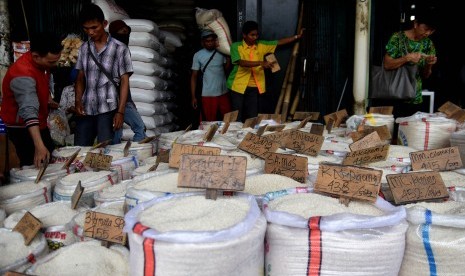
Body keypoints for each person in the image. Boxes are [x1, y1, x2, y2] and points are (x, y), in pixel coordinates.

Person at [0, 32, 63, 167]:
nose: (55, 64)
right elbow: (28, 110)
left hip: (39, 124)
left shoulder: (41, 65)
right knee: (33, 166)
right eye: (52, 61)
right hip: (22, 130)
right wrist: (39, 146)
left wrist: (47, 98)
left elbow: (40, 83)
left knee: (50, 161)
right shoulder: (22, 73)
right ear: (35, 56)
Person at [74, 3, 133, 146]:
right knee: (80, 149)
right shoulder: (83, 49)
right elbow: (80, 77)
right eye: (86, 29)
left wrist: (120, 112)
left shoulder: (120, 49)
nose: (91, 32)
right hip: (87, 108)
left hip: (108, 109)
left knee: (105, 151)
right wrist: (77, 101)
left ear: (104, 24)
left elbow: (125, 82)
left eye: (94, 27)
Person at [227, 20, 304, 122]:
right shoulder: (235, 46)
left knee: (252, 116)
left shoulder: (261, 45)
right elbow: (241, 62)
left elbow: (279, 42)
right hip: (237, 85)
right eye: (252, 35)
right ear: (244, 35)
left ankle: (250, 136)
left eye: (256, 35)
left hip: (254, 86)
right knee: (237, 115)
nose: (255, 37)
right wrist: (261, 63)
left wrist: (297, 37)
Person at [372, 6, 438, 119]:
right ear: (416, 23)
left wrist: (429, 64)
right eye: (426, 28)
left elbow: (425, 75)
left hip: (414, 97)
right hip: (393, 95)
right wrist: (407, 58)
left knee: (408, 133)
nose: (427, 33)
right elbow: (387, 64)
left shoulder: (428, 44)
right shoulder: (398, 38)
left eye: (431, 31)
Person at [108, 19, 147, 143]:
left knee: (140, 127)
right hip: (111, 100)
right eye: (121, 32)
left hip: (125, 101)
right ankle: (116, 158)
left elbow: (124, 81)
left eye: (126, 32)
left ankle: (134, 152)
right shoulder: (108, 51)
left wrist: (129, 100)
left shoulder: (124, 50)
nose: (125, 35)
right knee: (116, 133)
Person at [190, 29, 231, 122]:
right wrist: (193, 97)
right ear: (203, 42)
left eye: (212, 41)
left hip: (223, 93)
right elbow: (194, 77)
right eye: (207, 41)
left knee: (228, 120)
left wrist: (228, 58)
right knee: (208, 122)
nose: (210, 43)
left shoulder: (221, 52)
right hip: (208, 94)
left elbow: (224, 70)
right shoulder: (198, 55)